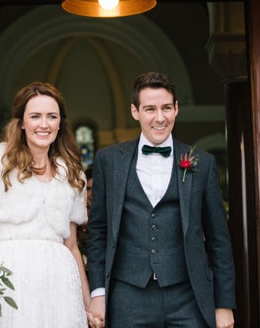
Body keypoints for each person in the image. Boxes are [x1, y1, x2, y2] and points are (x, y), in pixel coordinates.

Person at [86, 72, 236, 328]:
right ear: (135, 111)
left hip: (188, 295)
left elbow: (219, 239)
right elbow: (98, 232)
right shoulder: (109, 161)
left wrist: (223, 305)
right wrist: (98, 292)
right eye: (150, 109)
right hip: (127, 295)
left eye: (166, 108)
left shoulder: (203, 163)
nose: (159, 117)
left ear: (176, 109)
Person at [0, 82, 91, 327]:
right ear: (22, 122)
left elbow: (72, 245)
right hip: (10, 272)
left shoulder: (73, 172)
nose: (44, 124)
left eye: (51, 117)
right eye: (35, 116)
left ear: (59, 123)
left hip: (60, 277)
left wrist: (87, 303)